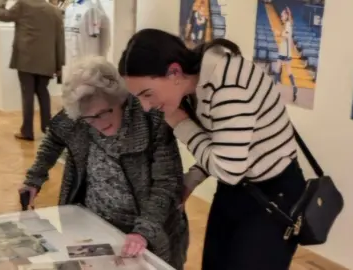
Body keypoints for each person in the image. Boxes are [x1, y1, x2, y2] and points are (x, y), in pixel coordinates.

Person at [118, 28, 307, 270]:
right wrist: (193, 178)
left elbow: (228, 169)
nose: (146, 106)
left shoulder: (228, 84)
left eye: (147, 94)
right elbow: (224, 144)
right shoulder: (199, 83)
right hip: (239, 189)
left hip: (273, 195)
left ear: (174, 71)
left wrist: (180, 123)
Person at [20, 56, 189, 269]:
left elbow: (167, 184)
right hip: (93, 226)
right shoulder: (81, 112)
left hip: (147, 230)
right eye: (88, 119)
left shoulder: (151, 118)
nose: (97, 124)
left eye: (102, 113)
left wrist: (142, 231)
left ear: (119, 99)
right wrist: (34, 178)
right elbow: (54, 137)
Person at [0, 0, 65, 141]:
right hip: (47, 60)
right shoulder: (54, 11)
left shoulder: (22, 5)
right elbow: (60, 39)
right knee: (43, 92)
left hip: (26, 58)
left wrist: (1, 2)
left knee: (28, 94)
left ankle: (27, 131)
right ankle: (48, 129)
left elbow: (1, 15)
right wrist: (59, 64)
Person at [275, 7, 298, 102]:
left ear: (287, 16)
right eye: (281, 15)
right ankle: (294, 87)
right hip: (285, 51)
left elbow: (286, 35)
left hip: (284, 52)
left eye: (282, 15)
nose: (281, 17)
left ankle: (273, 90)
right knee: (288, 71)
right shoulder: (287, 24)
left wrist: (278, 33)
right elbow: (289, 38)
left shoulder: (288, 24)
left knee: (277, 69)